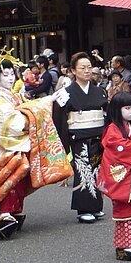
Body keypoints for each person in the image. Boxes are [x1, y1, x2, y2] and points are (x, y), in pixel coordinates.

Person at [0, 50, 71, 239]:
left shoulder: (12, 95)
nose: (10, 78)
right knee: (8, 180)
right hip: (7, 146)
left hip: (17, 144)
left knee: (18, 179)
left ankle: (14, 212)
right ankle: (6, 213)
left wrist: (48, 100)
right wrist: (30, 118)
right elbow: (12, 122)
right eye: (6, 74)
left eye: (12, 74)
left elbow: (29, 105)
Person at [96, 91, 131, 261]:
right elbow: (116, 147)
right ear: (116, 109)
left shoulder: (129, 127)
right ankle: (126, 244)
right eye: (127, 108)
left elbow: (127, 145)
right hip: (119, 174)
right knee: (126, 207)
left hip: (130, 172)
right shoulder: (112, 129)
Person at [54, 51, 110, 224]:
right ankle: (83, 208)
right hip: (77, 137)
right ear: (73, 70)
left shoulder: (99, 91)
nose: (87, 71)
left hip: (97, 137)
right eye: (82, 68)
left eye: (89, 67)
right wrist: (64, 142)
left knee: (96, 171)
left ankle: (96, 206)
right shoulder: (65, 93)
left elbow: (106, 115)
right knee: (83, 171)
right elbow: (59, 119)